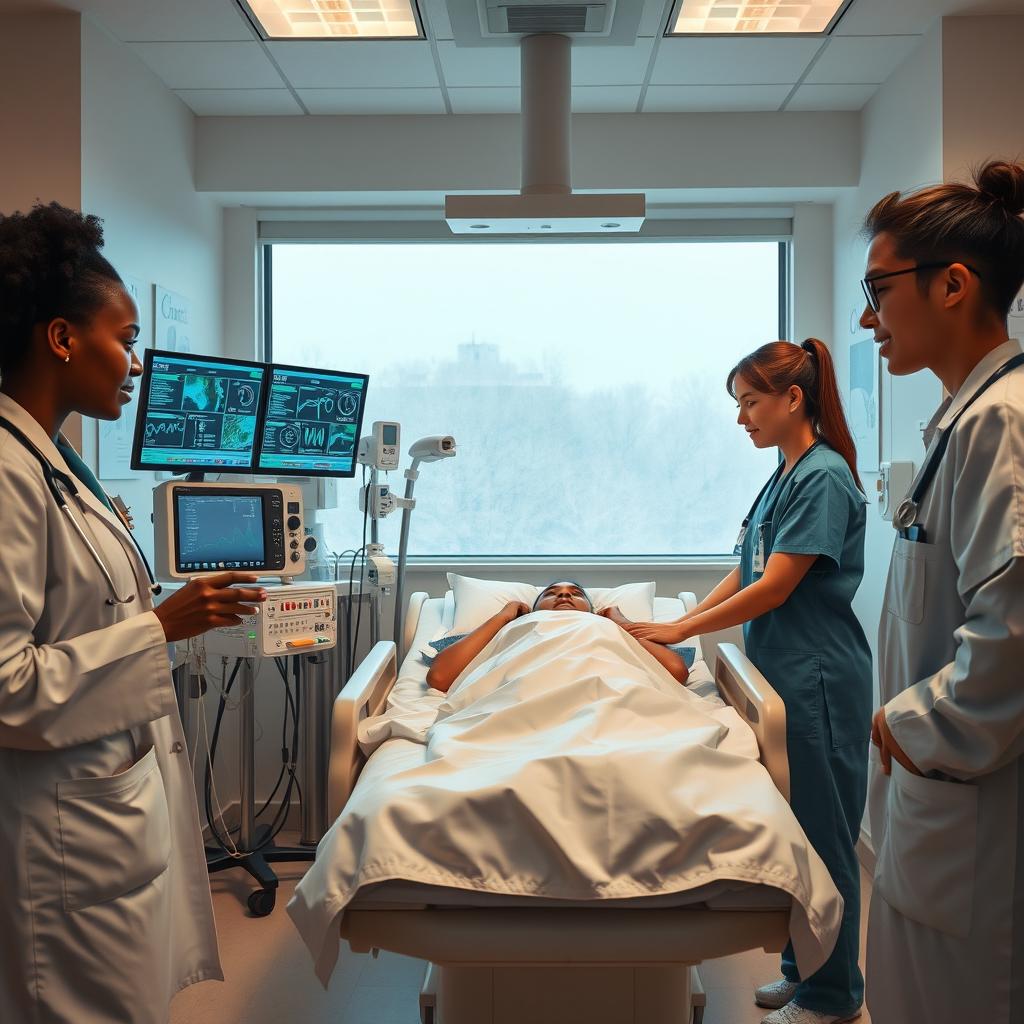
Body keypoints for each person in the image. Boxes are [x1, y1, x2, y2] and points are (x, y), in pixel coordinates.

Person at [0, 202, 269, 1023]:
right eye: (126, 338)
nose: (137, 363)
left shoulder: (63, 466)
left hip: (105, 806)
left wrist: (162, 618)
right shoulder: (7, 472)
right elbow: (7, 683)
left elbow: (88, 617)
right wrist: (164, 625)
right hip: (61, 834)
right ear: (62, 338)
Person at [625, 338, 872, 1024]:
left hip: (817, 676)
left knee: (826, 839)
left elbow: (777, 586)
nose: (742, 419)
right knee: (800, 834)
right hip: (782, 675)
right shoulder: (783, 474)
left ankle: (834, 999)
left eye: (750, 402)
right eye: (739, 405)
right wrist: (688, 618)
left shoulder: (822, 475)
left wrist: (683, 633)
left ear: (794, 398)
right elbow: (749, 565)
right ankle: (802, 971)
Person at [858, 160, 1024, 1024]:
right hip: (936, 815)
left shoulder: (1005, 422)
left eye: (878, 289)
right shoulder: (965, 420)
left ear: (952, 284)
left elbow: (1012, 643)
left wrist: (904, 723)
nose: (866, 316)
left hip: (971, 830)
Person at [425, 580, 690, 692]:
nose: (564, 595)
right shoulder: (516, 628)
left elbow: (675, 671)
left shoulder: (606, 627)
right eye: (551, 593)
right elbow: (440, 677)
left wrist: (618, 620)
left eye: (575, 593)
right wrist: (505, 615)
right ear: (534, 607)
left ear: (592, 609)